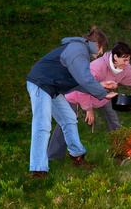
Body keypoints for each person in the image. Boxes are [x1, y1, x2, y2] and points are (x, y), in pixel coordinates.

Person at [26, 27, 118, 178]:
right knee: (42, 125)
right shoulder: (77, 50)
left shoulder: (80, 52)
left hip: (53, 87)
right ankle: (38, 170)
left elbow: (78, 82)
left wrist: (102, 89)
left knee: (69, 119)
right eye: (101, 48)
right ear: (96, 44)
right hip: (41, 83)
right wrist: (102, 93)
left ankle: (77, 156)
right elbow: (84, 79)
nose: (101, 53)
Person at [47, 41, 131, 161]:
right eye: (125, 60)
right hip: (76, 95)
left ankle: (120, 152)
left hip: (102, 97)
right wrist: (88, 109)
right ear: (115, 57)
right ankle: (53, 157)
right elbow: (84, 89)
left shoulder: (125, 68)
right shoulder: (97, 67)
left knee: (114, 122)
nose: (127, 63)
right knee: (66, 123)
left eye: (128, 60)